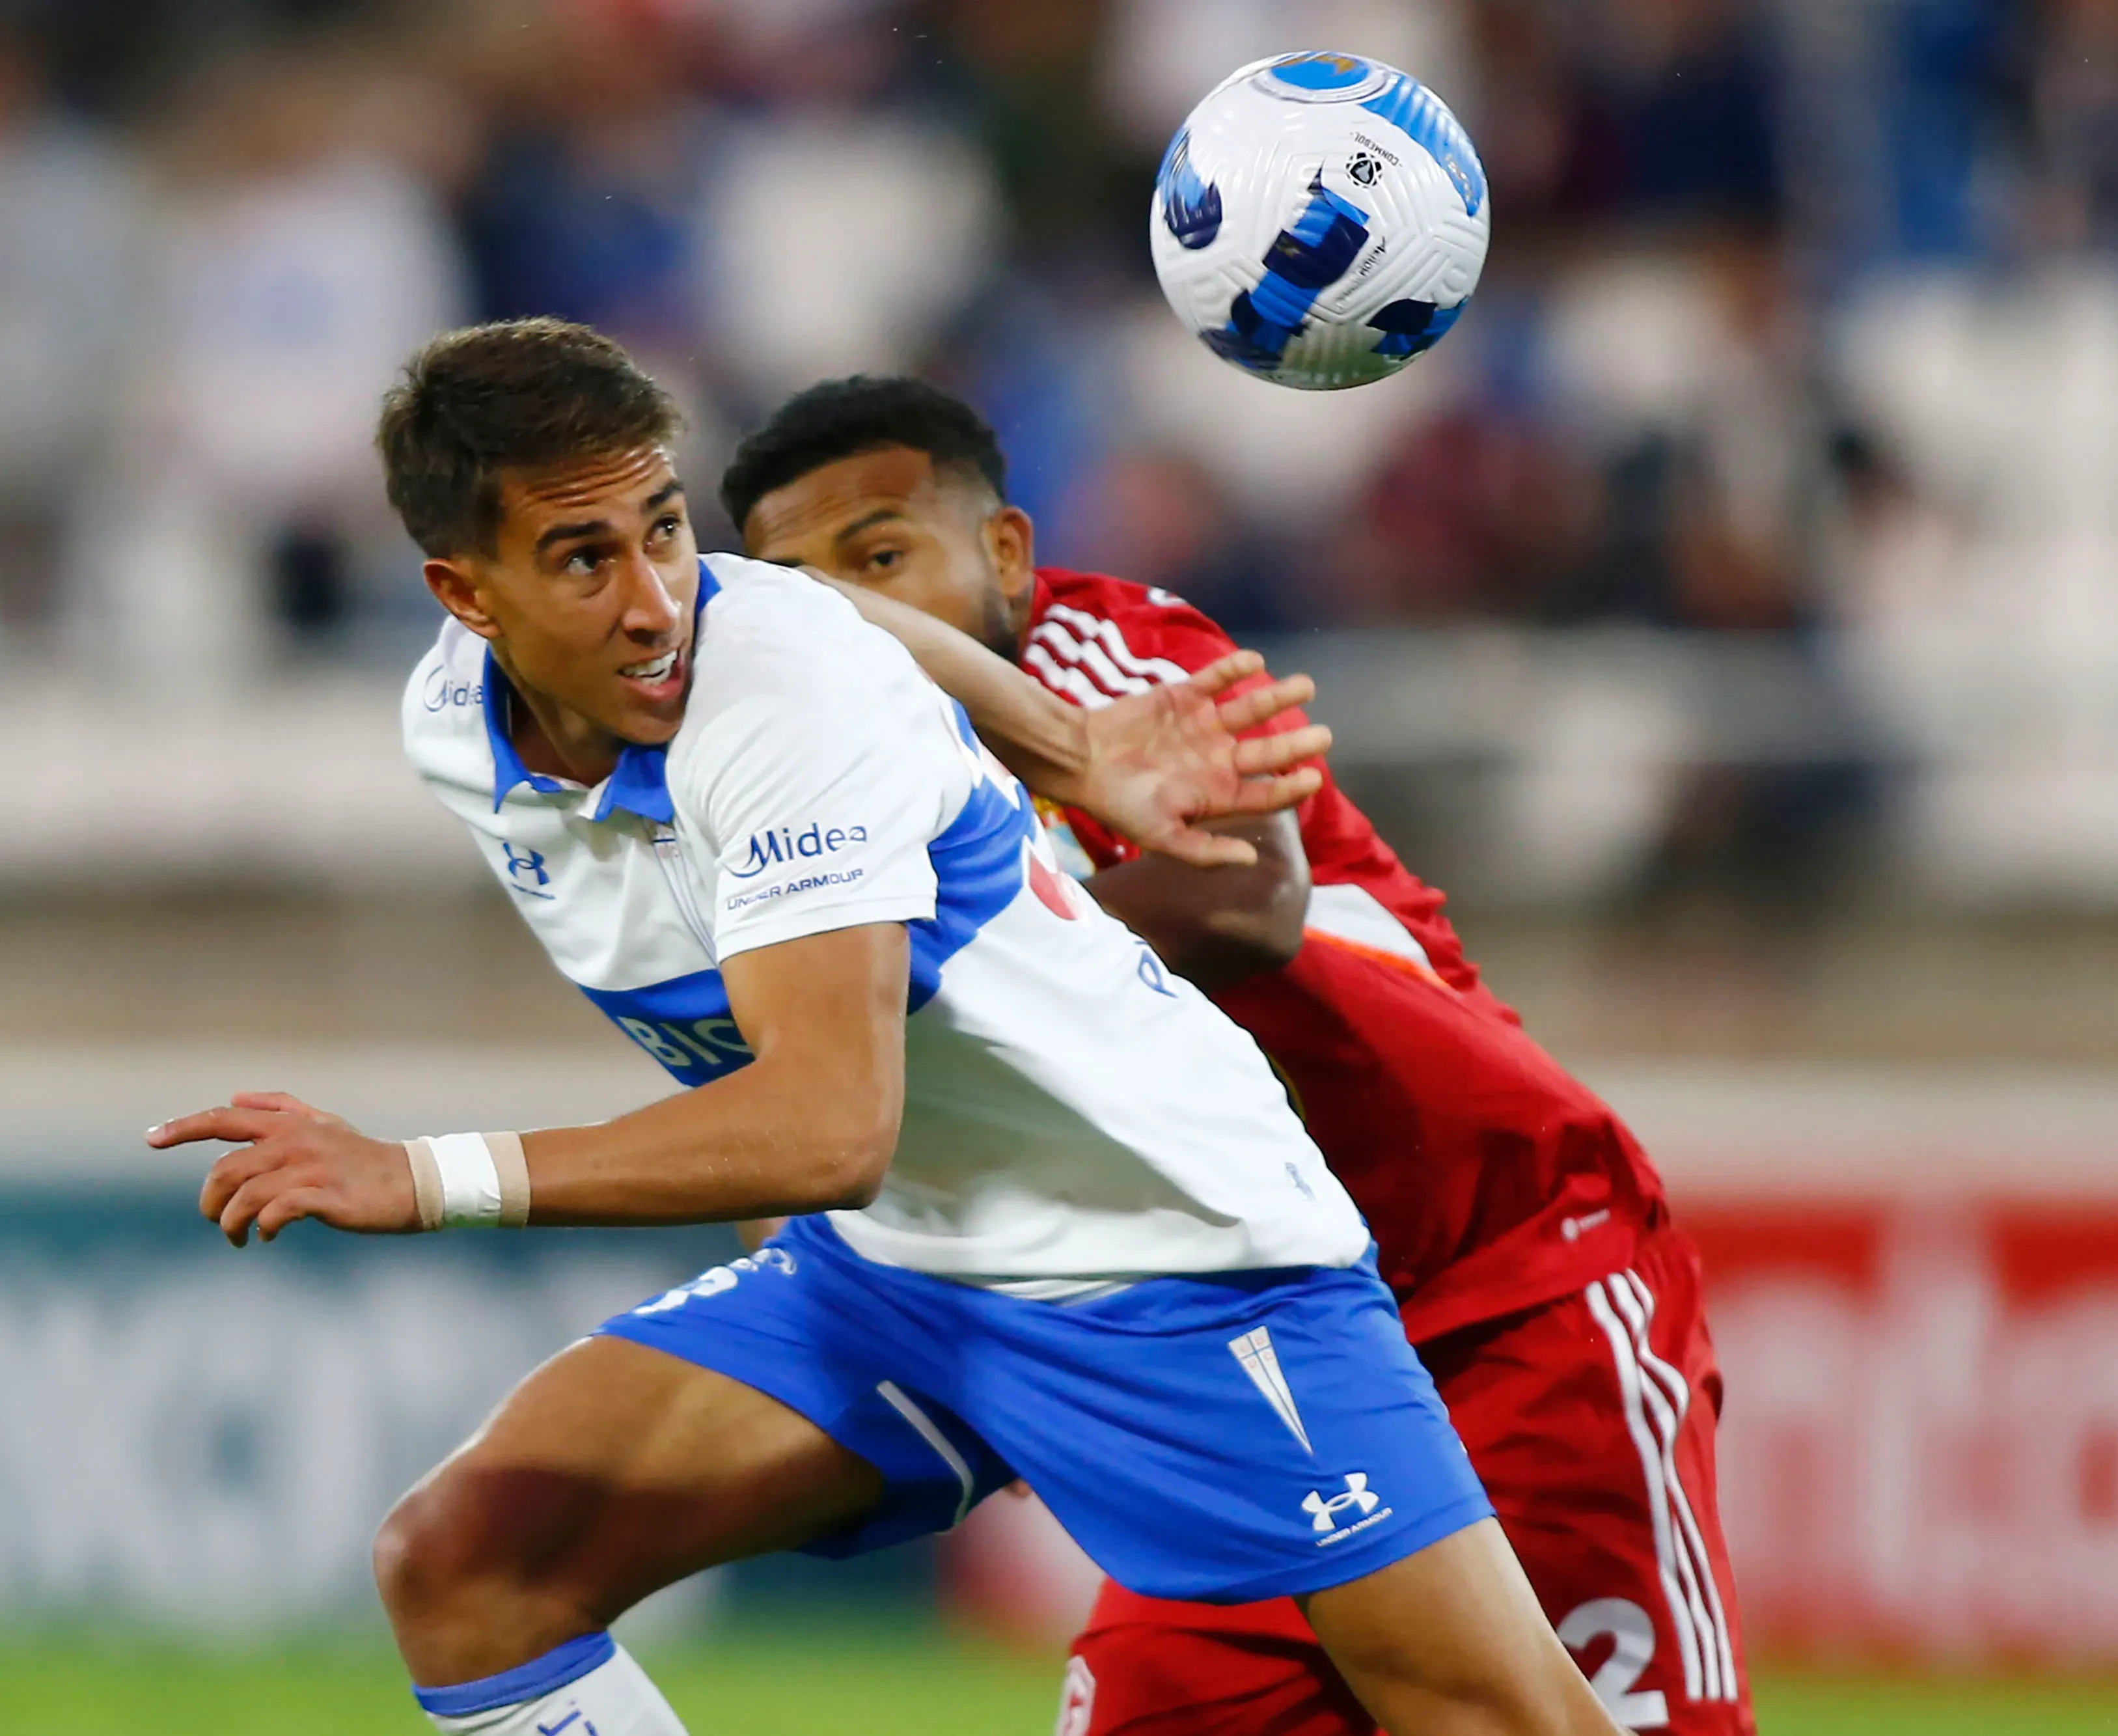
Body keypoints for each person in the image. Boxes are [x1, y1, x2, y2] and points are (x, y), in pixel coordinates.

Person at [148, 319, 1625, 1736]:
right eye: (581, 557)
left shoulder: (779, 714)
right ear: (465, 598)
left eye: (664, 529)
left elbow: (824, 1129)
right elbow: (819, 604)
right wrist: (1066, 748)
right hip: (900, 1271)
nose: (656, 601)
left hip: (1171, 1255)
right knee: (466, 1566)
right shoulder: (449, 723)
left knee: (1497, 1719)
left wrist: (423, 1175)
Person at [726, 375, 1755, 1736]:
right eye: (805, 592)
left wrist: (909, 986)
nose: (853, 616)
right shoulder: (808, 806)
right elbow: (831, 1120)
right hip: (1254, 1370)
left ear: (1005, 555)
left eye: (878, 559)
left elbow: (1236, 898)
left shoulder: (1095, 656)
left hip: (1505, 1286)